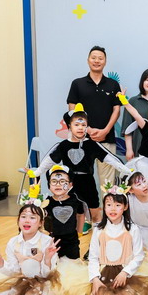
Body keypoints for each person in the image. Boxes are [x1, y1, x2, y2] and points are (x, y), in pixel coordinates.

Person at [34, 104, 129, 224]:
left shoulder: (92, 144)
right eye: (76, 125)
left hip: (87, 183)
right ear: (69, 126)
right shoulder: (63, 146)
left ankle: (97, 233)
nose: (80, 128)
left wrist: (126, 170)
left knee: (95, 213)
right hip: (69, 184)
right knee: (73, 214)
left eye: (83, 125)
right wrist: (37, 172)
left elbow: (110, 158)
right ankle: (74, 234)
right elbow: (49, 161)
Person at [76, 184, 148, 295]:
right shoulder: (99, 230)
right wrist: (95, 278)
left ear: (125, 207)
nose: (113, 209)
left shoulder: (132, 229)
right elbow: (93, 257)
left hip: (125, 273)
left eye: (118, 205)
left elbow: (139, 255)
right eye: (109, 205)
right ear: (104, 207)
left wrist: (125, 272)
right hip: (104, 273)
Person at [66, 46, 122, 192]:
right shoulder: (77, 84)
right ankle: (83, 209)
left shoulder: (113, 84)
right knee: (81, 182)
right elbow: (72, 111)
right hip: (81, 141)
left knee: (108, 185)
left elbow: (116, 110)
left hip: (107, 140)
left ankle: (107, 208)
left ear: (105, 62)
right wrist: (87, 130)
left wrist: (106, 130)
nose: (97, 61)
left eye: (100, 58)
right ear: (88, 60)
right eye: (94, 57)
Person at [43, 165, 84, 259]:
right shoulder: (46, 202)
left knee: (73, 263)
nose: (58, 184)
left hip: (72, 240)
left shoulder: (76, 200)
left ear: (70, 185)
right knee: (54, 263)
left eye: (62, 181)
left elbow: (80, 215)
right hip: (53, 240)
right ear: (49, 185)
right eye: (54, 181)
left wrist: (79, 231)